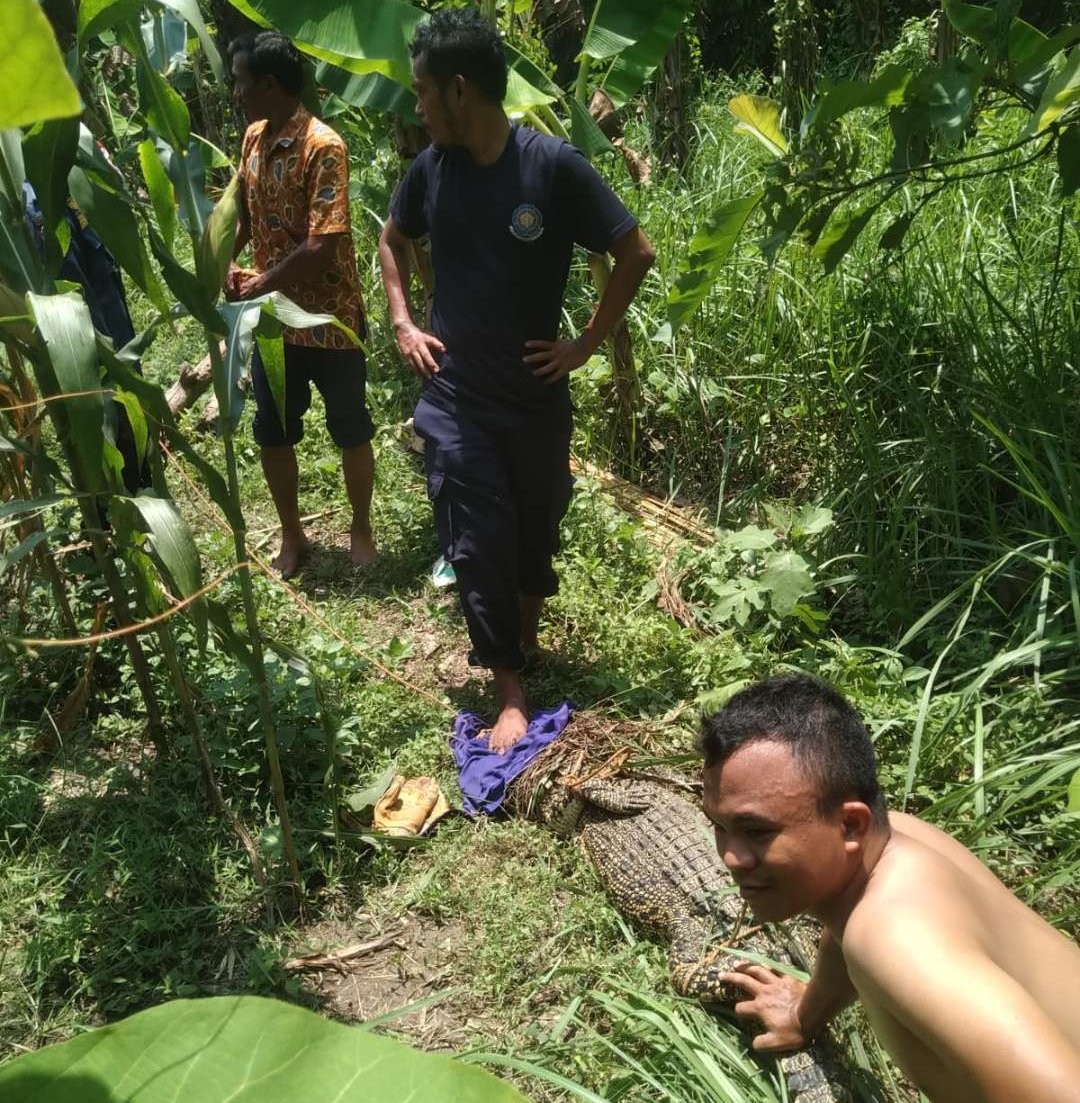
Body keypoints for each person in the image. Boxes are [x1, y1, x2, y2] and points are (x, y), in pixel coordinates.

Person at [378, 9, 654, 751]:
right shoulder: (429, 170)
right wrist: (404, 321)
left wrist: (585, 343)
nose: (417, 107)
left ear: (459, 91)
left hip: (534, 394)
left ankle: (524, 638)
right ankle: (508, 686)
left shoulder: (552, 167)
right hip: (455, 397)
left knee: (536, 524)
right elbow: (391, 239)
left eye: (423, 92)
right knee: (476, 538)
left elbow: (635, 252)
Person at [700, 673, 1080, 1103]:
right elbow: (845, 934)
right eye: (719, 825)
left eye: (756, 830)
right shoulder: (892, 845)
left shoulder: (898, 941)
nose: (731, 856)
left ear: (850, 824)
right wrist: (804, 1015)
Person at [228, 31, 376, 578]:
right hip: (273, 323)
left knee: (350, 427)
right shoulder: (252, 140)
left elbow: (322, 245)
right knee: (273, 430)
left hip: (329, 320)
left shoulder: (323, 146)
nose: (237, 92)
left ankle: (360, 526)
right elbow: (244, 220)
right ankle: (294, 534)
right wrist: (225, 259)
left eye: (242, 82)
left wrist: (259, 282)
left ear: (268, 84)